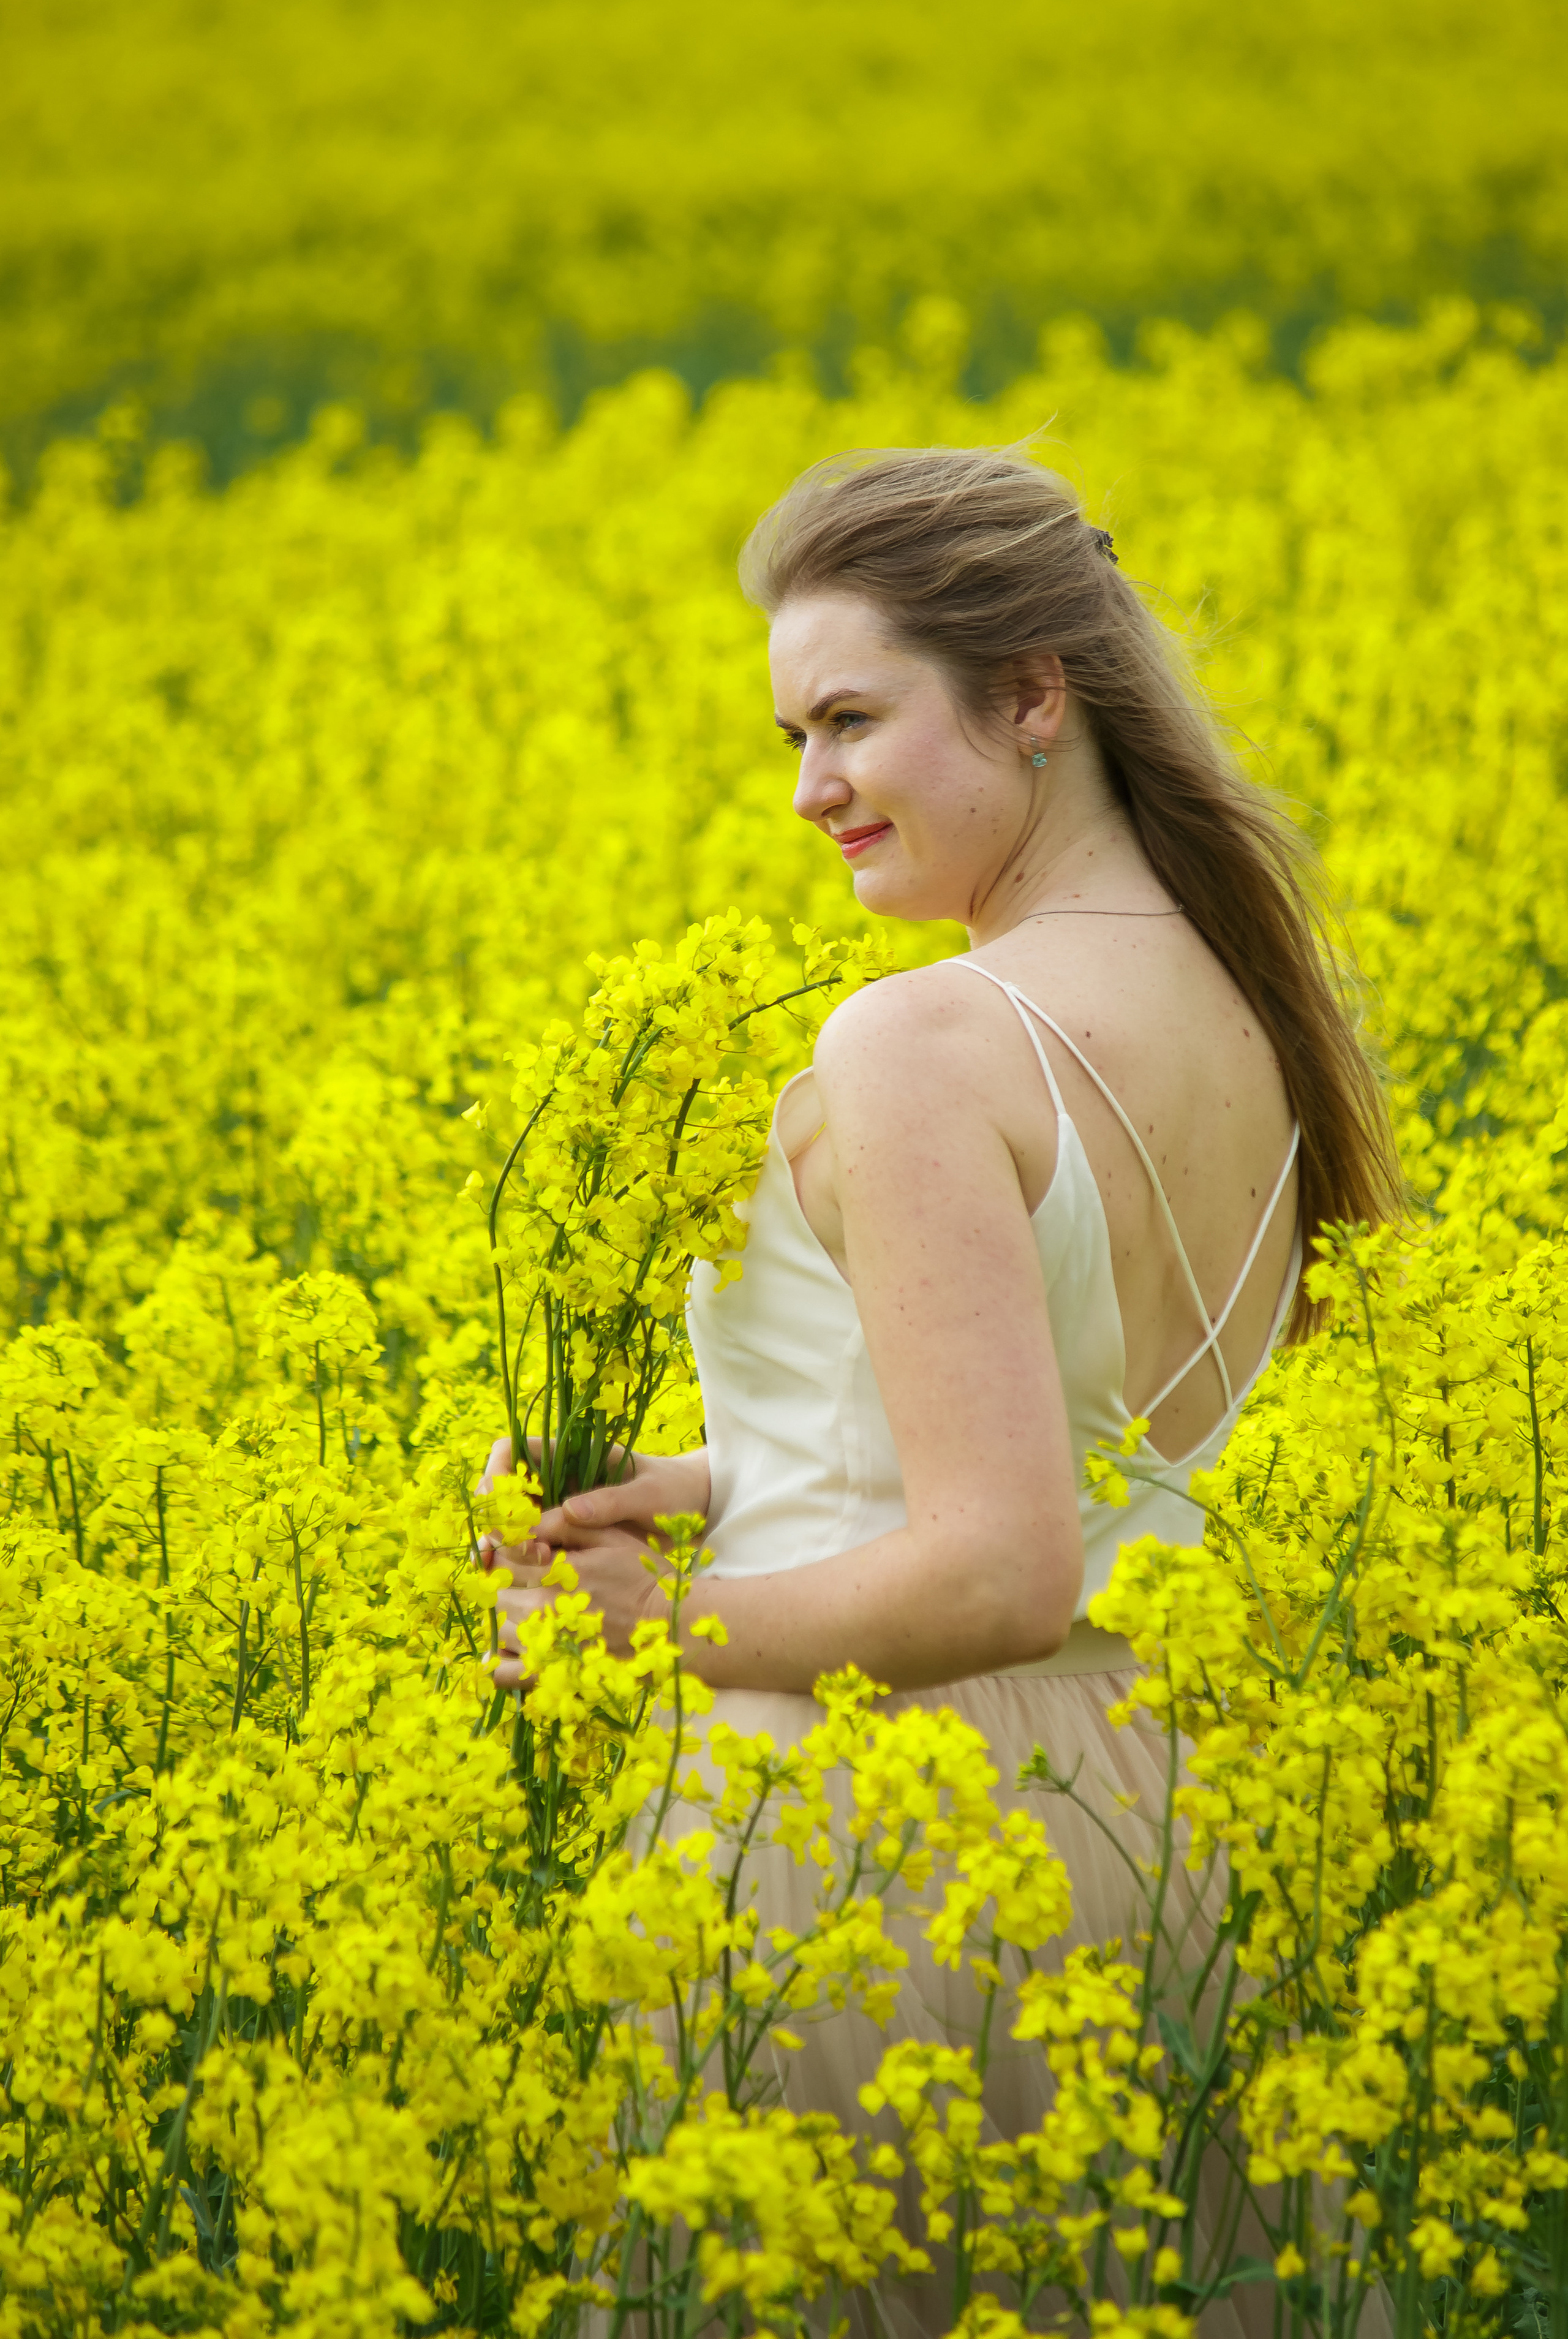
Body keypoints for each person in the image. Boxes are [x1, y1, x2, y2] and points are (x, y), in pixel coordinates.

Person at [484, 448, 1401, 2333]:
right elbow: (1075, 1439)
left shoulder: (921, 1041)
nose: (811, 790)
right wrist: (706, 1476)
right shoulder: (1246, 998)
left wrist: (652, 1631)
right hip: (1147, 1818)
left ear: (1035, 695)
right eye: (789, 733)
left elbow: (997, 1568)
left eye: (850, 719)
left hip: (881, 1840)